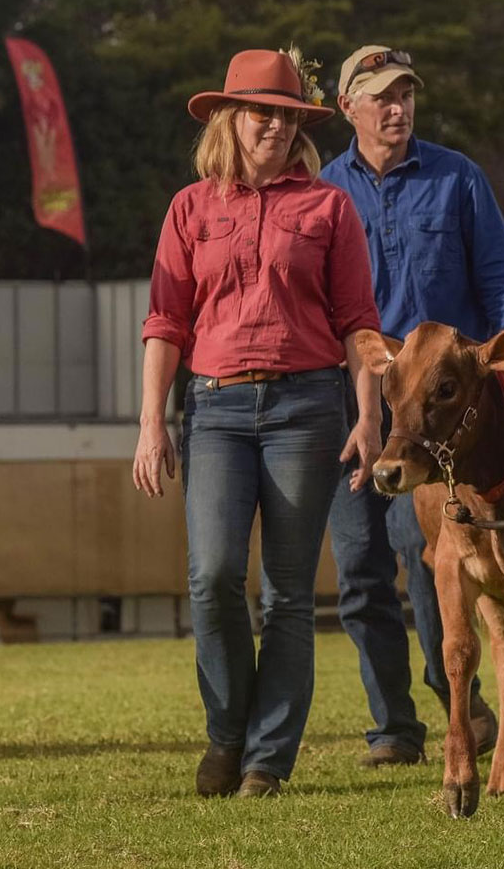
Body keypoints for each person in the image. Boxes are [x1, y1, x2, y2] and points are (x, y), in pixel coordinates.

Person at [133, 48, 384, 799]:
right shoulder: (190, 207)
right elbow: (165, 320)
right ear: (230, 119)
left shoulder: (328, 207)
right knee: (211, 577)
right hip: (213, 408)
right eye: (259, 112)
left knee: (286, 594)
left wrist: (369, 417)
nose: (273, 125)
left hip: (307, 408)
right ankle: (226, 735)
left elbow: (359, 322)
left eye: (285, 114)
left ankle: (267, 760)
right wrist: (151, 423)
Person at [320, 45, 504, 766]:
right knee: (360, 572)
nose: (396, 107)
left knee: (431, 560)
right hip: (354, 409)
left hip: (438, 420)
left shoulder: (458, 177)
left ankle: (459, 704)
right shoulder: (321, 192)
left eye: (405, 94)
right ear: (348, 107)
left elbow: (503, 282)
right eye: (380, 96)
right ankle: (392, 729)